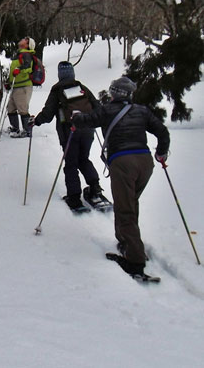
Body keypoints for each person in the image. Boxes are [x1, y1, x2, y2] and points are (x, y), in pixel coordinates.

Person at [72, 76, 170, 278]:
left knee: (125, 208)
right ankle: (127, 241)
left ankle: (135, 261)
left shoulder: (107, 110)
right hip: (145, 163)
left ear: (114, 93)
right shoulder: (141, 111)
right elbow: (162, 132)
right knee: (130, 202)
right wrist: (161, 153)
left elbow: (87, 120)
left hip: (123, 163)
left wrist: (74, 117)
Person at [30, 61, 103, 211]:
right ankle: (95, 188)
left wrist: (35, 121)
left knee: (71, 163)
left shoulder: (57, 90)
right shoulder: (82, 88)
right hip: (87, 130)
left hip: (69, 131)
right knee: (83, 159)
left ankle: (74, 197)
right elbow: (98, 108)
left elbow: (48, 113)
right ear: (72, 73)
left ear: (59, 75)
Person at [5, 36, 36, 138]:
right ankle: (15, 129)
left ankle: (27, 131)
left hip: (23, 86)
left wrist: (19, 69)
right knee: (11, 107)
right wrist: (8, 82)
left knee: (22, 109)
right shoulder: (19, 54)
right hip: (16, 86)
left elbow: (28, 67)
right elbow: (14, 72)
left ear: (27, 45)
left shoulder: (26, 54)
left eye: (25, 40)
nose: (22, 39)